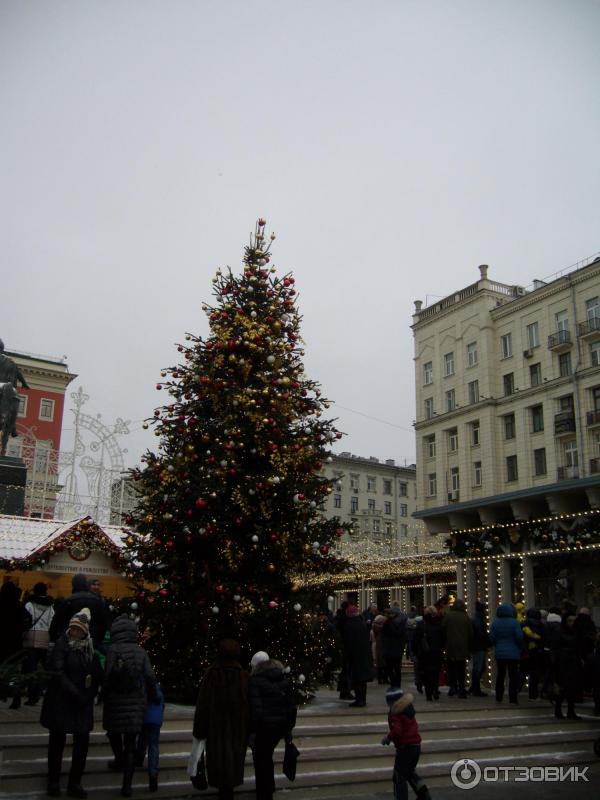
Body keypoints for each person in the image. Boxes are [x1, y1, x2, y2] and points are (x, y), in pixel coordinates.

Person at [41, 608, 102, 798]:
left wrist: (91, 692)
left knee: (81, 744)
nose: (75, 632)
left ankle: (75, 782)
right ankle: (53, 781)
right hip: (61, 700)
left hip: (81, 704)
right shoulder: (62, 645)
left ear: (85, 631)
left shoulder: (90, 649)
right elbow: (58, 671)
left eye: (79, 629)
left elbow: (96, 673)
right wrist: (75, 692)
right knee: (57, 742)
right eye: (73, 629)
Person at [103, 614, 158, 797]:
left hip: (115, 700)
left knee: (114, 732)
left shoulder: (112, 650)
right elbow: (150, 676)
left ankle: (118, 758)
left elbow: (108, 675)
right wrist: (153, 695)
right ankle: (127, 784)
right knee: (131, 743)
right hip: (136, 700)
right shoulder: (140, 651)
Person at [193, 639, 249, 800]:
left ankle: (223, 790)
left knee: (219, 761)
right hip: (237, 730)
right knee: (233, 760)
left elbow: (203, 704)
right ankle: (228, 789)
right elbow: (248, 704)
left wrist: (200, 729)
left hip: (216, 729)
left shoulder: (212, 674)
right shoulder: (243, 676)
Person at [248, 651, 297, 800]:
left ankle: (264, 793)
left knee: (261, 761)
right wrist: (287, 728)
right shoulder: (283, 680)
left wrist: (252, 731)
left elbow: (256, 710)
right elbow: (291, 707)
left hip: (263, 729)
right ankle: (268, 789)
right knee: (266, 758)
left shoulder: (255, 681)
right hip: (278, 728)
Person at [381, 686, 431, 800]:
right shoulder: (408, 708)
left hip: (405, 748)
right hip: (416, 746)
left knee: (399, 776)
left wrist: (388, 738)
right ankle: (424, 795)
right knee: (410, 773)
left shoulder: (395, 712)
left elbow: (397, 731)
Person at [50, 573, 109, 651]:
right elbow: (103, 622)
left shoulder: (68, 600)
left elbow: (56, 621)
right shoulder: (97, 601)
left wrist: (55, 638)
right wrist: (98, 639)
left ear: (73, 584)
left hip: (70, 640)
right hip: (91, 640)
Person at [0, 581, 32, 709]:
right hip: (14, 644)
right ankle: (16, 696)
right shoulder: (18, 606)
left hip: (1, 642)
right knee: (13, 671)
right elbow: (28, 621)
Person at [22, 581, 55, 706]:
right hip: (45, 637)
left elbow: (25, 620)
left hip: (31, 637)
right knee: (45, 668)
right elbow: (52, 620)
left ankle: (32, 696)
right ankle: (44, 691)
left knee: (31, 668)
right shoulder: (51, 605)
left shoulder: (30, 604)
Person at [489, 603, 523, 704]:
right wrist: (520, 647)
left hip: (500, 653)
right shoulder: (515, 623)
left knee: (500, 675)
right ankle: (513, 698)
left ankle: (499, 696)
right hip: (513, 653)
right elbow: (519, 637)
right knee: (513, 676)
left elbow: (492, 638)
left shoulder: (495, 623)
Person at [135, 682, 165, 792]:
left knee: (142, 739)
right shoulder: (158, 691)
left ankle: (139, 758)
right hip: (156, 721)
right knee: (153, 746)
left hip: (144, 719)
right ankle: (153, 774)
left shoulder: (142, 688)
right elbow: (162, 705)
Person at [553, 614, 583, 720]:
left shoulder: (576, 632)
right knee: (563, 687)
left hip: (573, 662)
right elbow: (556, 648)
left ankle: (571, 711)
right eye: (569, 621)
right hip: (563, 663)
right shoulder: (561, 632)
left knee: (572, 688)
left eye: (573, 621)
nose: (572, 623)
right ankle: (558, 710)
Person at [342, 605, 373, 707]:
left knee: (356, 679)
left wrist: (346, 655)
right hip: (364, 654)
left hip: (354, 655)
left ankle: (359, 700)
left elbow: (348, 642)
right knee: (362, 680)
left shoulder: (349, 625)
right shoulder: (362, 623)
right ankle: (362, 699)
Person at [441, 599, 472, 698]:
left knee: (451, 668)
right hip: (463, 646)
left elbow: (443, 629)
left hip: (450, 646)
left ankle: (452, 687)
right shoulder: (466, 617)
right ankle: (461, 688)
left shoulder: (448, 616)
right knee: (461, 668)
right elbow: (471, 633)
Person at [414, 607, 444, 702]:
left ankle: (428, 693)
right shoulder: (439, 623)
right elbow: (443, 638)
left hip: (425, 653)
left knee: (427, 674)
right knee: (435, 673)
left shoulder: (421, 624)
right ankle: (435, 690)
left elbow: (416, 640)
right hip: (436, 652)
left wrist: (415, 652)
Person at [520, 608, 544, 700]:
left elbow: (520, 638)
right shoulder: (541, 625)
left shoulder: (523, 624)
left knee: (522, 672)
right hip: (537, 651)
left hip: (526, 651)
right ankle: (533, 694)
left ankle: (515, 690)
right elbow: (544, 638)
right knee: (534, 674)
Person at [382, 607, 407, 689]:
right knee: (397, 669)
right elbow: (403, 636)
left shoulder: (387, 623)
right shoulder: (402, 623)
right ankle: (397, 685)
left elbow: (384, 636)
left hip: (389, 649)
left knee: (390, 668)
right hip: (397, 649)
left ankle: (394, 684)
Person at [468, 601, 490, 697]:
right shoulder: (478, 620)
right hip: (479, 646)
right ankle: (475, 688)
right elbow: (480, 634)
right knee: (478, 668)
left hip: (477, 646)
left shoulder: (476, 619)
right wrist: (487, 639)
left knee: (479, 667)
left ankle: (474, 687)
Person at [371, 613, 388, 684]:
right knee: (384, 663)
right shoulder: (384, 628)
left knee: (378, 662)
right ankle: (384, 678)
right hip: (382, 646)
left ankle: (379, 678)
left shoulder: (374, 628)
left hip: (376, 646)